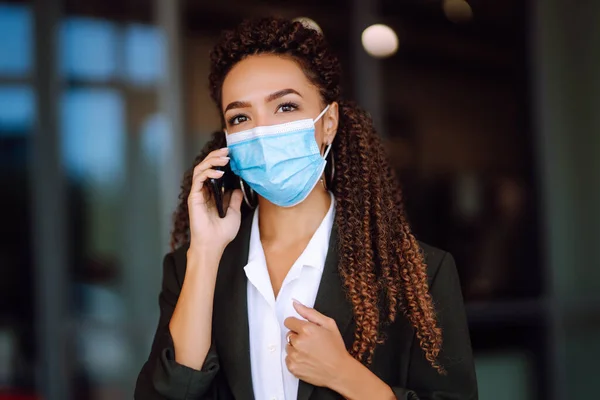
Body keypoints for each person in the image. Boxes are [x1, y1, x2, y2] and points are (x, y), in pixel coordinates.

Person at [135, 17, 477, 400]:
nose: (262, 132)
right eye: (241, 117)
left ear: (328, 122)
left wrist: (346, 375)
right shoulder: (193, 266)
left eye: (285, 107)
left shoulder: (417, 275)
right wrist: (205, 253)